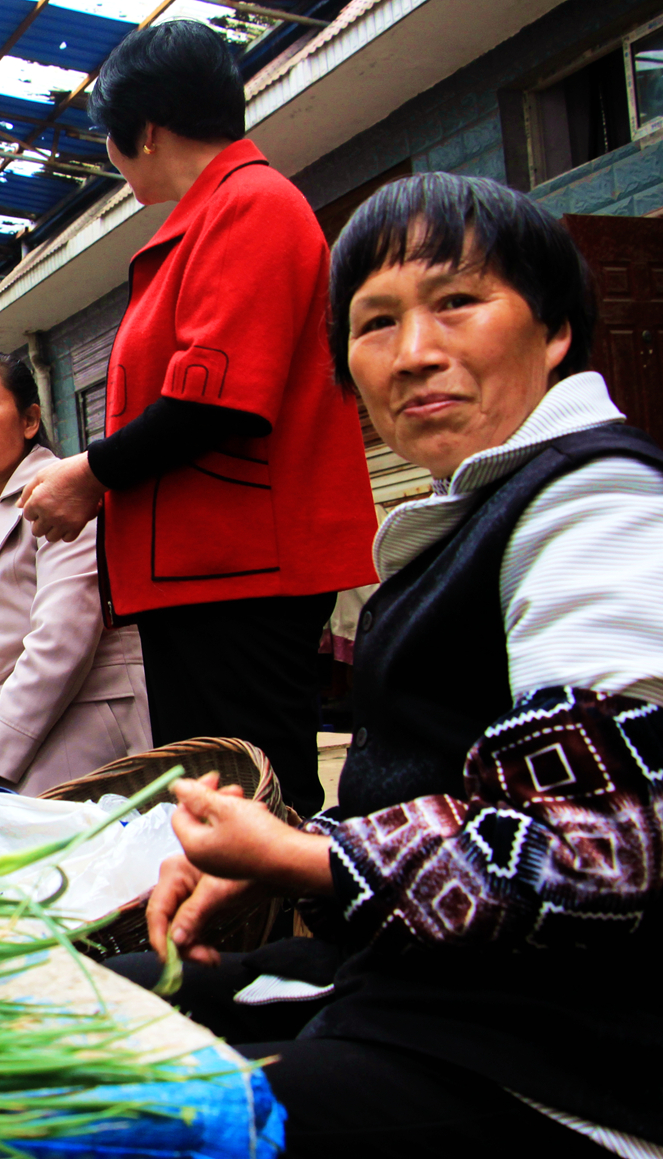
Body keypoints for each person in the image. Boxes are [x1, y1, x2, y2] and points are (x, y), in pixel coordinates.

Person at [108, 174, 663, 1157]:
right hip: (422, 988)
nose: (414, 354)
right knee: (93, 1000)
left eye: (458, 301)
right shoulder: (483, 512)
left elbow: (603, 856)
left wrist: (306, 859)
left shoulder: (598, 510)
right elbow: (449, 782)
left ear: (557, 330)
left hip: (549, 1064)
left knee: (103, 1117)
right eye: (374, 323)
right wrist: (304, 864)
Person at [14, 21, 377, 818]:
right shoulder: (210, 215)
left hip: (240, 569)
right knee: (216, 795)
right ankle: (244, 938)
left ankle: (280, 935)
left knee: (256, 795)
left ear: (142, 129)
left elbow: (218, 398)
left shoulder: (252, 205)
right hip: (203, 572)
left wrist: (90, 473)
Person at [0, 350, 151, 816]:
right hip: (13, 727)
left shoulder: (65, 500)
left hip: (83, 723)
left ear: (29, 420)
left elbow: (61, 641)